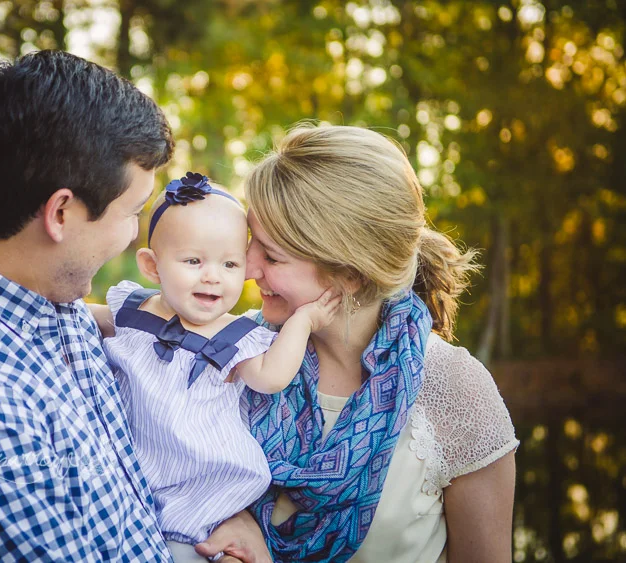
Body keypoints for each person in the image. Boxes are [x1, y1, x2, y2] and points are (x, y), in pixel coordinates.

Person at [0, 50, 225, 562]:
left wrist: (226, 514)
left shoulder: (41, 298)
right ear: (60, 212)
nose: (131, 238)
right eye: (131, 213)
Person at [199, 125, 518, 562]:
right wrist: (224, 517)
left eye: (272, 256)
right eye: (250, 242)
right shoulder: (235, 353)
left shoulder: (456, 390)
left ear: (350, 275)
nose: (248, 266)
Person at [87, 173, 340, 562]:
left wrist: (302, 323)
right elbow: (79, 316)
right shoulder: (132, 308)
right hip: (131, 479)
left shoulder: (237, 335)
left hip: (202, 492)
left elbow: (271, 377)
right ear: (152, 267)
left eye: (230, 264)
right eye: (193, 260)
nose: (212, 275)